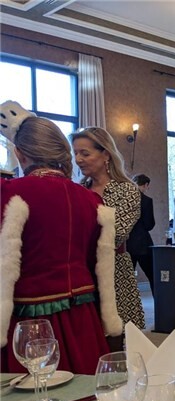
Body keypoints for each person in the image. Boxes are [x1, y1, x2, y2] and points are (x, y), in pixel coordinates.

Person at [0, 101, 121, 374]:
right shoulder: (91, 200)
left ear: (20, 154)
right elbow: (98, 262)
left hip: (28, 324)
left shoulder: (9, 193)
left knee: (32, 393)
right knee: (85, 389)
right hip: (83, 318)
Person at [72, 127, 145, 347]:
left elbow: (117, 234)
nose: (78, 159)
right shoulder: (76, 190)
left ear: (105, 154)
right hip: (80, 274)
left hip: (115, 273)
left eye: (85, 153)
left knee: (114, 343)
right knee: (84, 341)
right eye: (75, 153)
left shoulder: (127, 190)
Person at [127, 174, 155, 294]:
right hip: (143, 244)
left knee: (127, 280)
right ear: (146, 185)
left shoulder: (125, 199)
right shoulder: (146, 201)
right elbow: (149, 225)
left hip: (127, 244)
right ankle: (159, 302)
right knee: (152, 276)